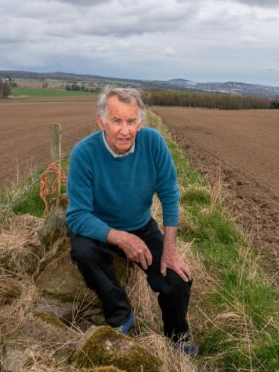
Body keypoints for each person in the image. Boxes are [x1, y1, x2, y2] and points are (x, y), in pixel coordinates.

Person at [66, 86, 196, 355]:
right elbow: (77, 216)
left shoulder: (153, 143)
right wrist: (120, 238)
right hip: (99, 227)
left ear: (141, 122)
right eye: (116, 121)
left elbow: (170, 194)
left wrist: (170, 250)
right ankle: (121, 314)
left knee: (179, 280)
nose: (124, 130)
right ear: (101, 121)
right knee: (82, 251)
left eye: (131, 121)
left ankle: (177, 335)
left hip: (141, 224)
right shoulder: (83, 154)